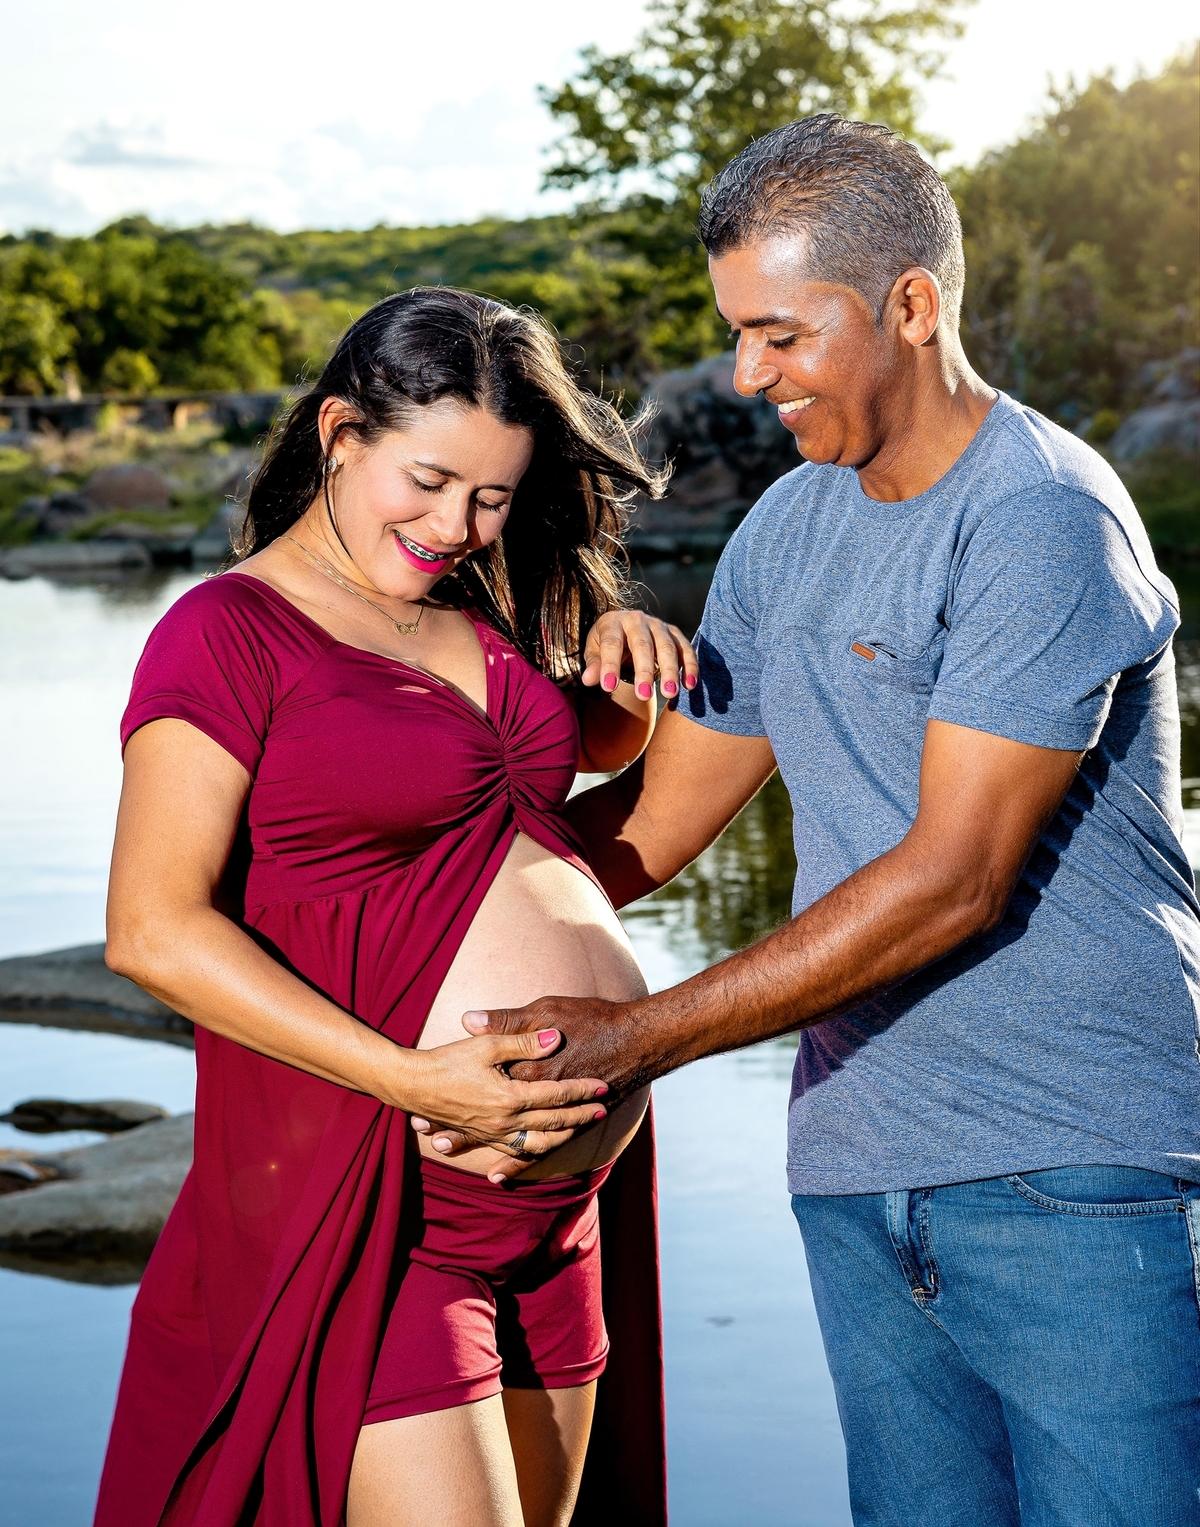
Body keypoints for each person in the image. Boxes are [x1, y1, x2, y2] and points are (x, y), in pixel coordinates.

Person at [444, 116, 1200, 1526]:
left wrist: (633, 1044)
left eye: (784, 335)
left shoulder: (1038, 519)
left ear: (912, 306)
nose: (748, 376)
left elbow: (952, 882)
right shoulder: (788, 531)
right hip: (857, 1164)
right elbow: (655, 827)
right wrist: (409, 915)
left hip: (1076, 1173)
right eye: (738, 334)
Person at [94, 287, 697, 1527]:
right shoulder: (224, 636)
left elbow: (540, 810)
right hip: (390, 1209)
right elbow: (152, 928)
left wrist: (624, 655)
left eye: (492, 496)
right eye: (427, 480)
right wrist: (416, 1080)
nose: (456, 525)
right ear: (339, 434)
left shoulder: (476, 614)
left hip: (554, 1220)